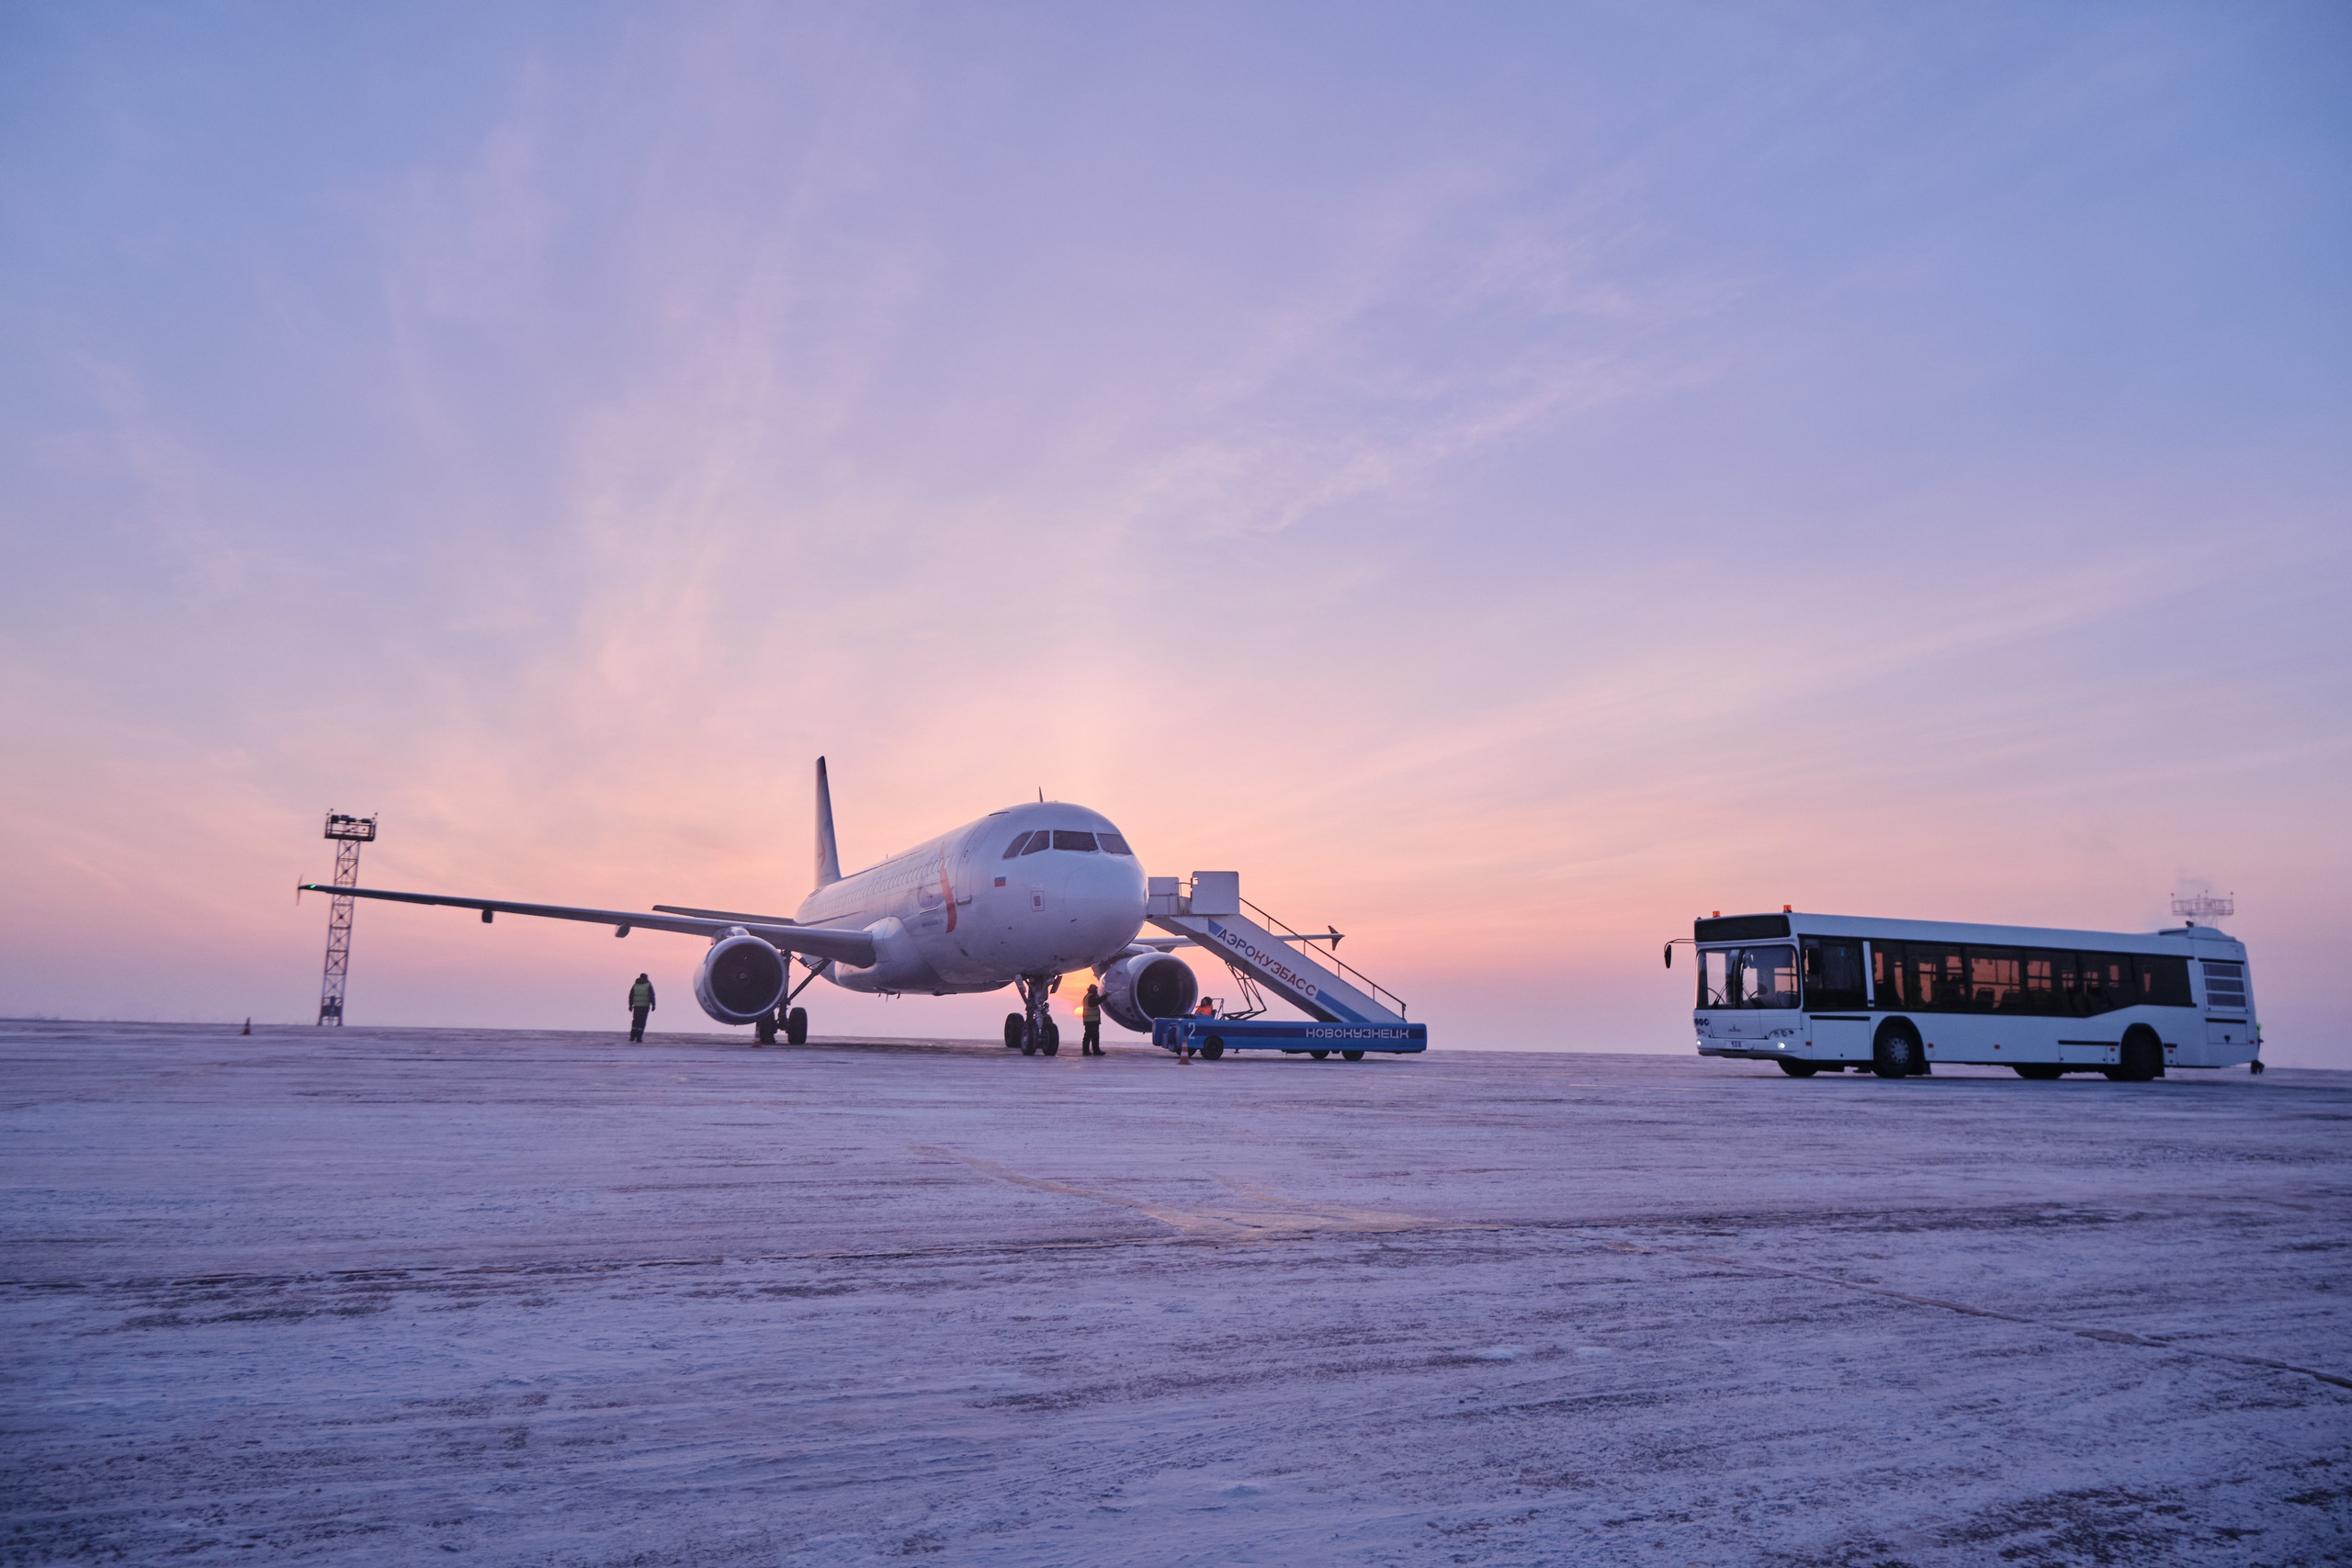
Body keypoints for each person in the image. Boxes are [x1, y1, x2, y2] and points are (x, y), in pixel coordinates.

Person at [628, 973, 655, 1043]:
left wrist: (630, 1005)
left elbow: (631, 996)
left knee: (635, 1022)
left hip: (636, 1006)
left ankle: (632, 1037)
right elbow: (652, 996)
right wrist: (653, 1005)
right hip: (644, 1006)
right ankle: (639, 1038)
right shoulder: (648, 985)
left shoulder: (635, 985)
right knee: (642, 1022)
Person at [1080, 985, 1102, 1055]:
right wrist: (1104, 997)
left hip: (1089, 1020)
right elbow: (1094, 1003)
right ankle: (1094, 1051)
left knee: (1089, 1036)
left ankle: (1088, 1051)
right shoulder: (1091, 997)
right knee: (1092, 1036)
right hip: (1092, 1021)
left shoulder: (1088, 996)